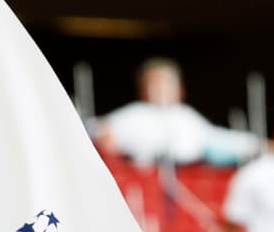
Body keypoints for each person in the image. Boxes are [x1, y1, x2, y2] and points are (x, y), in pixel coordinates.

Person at [95, 58, 259, 166]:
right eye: (154, 84)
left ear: (180, 89)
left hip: (186, 176)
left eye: (166, 84)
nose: (160, 90)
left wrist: (256, 144)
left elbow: (216, 139)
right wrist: (102, 133)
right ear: (142, 89)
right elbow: (95, 129)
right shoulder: (132, 115)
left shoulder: (186, 117)